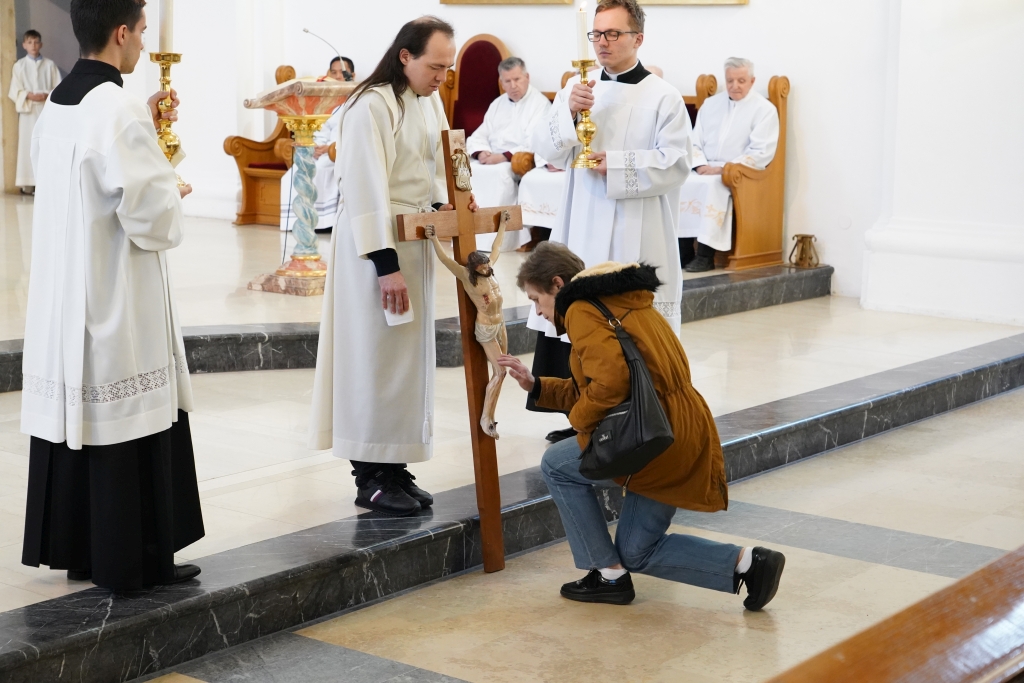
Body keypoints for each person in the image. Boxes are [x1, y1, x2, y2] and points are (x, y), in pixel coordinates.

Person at [20, 0, 204, 592]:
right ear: (121, 32)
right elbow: (151, 219)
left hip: (67, 293)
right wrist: (174, 187)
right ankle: (135, 558)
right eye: (143, 31)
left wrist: (145, 131)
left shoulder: (59, 102)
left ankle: (84, 552)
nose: (145, 43)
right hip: (115, 292)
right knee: (128, 416)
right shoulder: (118, 106)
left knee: (83, 418)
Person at [497, 243, 786, 609]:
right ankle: (749, 564)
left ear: (557, 284)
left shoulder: (582, 310)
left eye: (536, 300)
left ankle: (608, 574)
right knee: (637, 551)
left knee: (556, 464)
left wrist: (579, 422)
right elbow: (607, 381)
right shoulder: (619, 300)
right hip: (675, 429)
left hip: (653, 437)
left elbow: (610, 383)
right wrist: (537, 385)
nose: (538, 311)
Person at [309, 17, 477, 517]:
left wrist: (451, 205)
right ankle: (370, 476)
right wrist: (386, 266)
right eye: (435, 66)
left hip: (414, 241)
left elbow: (437, 168)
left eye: (448, 68)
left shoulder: (427, 101)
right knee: (373, 358)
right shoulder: (370, 104)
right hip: (375, 251)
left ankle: (394, 465)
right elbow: (364, 186)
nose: (442, 77)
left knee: (403, 361)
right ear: (405, 56)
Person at [526, 0, 690, 444]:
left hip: (637, 224)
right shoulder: (577, 88)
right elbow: (545, 147)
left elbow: (677, 163)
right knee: (581, 319)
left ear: (638, 38)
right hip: (583, 219)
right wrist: (566, 112)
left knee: (627, 326)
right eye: (596, 34)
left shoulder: (663, 96)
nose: (602, 42)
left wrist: (616, 164)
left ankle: (635, 416)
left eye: (613, 33)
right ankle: (582, 414)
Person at [678, 57, 779, 272]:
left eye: (741, 81)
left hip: (736, 172)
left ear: (752, 81)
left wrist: (724, 169)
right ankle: (683, 253)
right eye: (730, 80)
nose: (735, 86)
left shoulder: (764, 110)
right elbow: (694, 140)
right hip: (704, 168)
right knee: (680, 182)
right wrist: (699, 165)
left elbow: (761, 151)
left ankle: (705, 256)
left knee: (713, 186)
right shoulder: (711, 104)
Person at [425, 212, 510, 438]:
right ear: (474, 269)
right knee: (500, 371)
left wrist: (502, 224)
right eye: (481, 267)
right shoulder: (465, 275)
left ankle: (491, 413)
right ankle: (486, 419)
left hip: (500, 324)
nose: (486, 268)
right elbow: (446, 260)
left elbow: (497, 246)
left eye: (486, 265)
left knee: (503, 371)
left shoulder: (490, 267)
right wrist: (434, 239)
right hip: (487, 328)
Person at [466, 56, 550, 252]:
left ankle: (501, 239)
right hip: (492, 157)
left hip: (516, 160)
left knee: (500, 173)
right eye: (507, 81)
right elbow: (480, 134)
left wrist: (503, 157)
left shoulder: (540, 104)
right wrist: (481, 152)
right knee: (470, 171)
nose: (513, 86)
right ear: (501, 82)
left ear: (527, 77)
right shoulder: (497, 104)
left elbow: (536, 141)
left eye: (517, 79)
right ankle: (472, 236)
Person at [279, 57, 356, 234]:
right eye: (334, 72)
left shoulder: (356, 101)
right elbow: (320, 128)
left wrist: (329, 148)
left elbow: (353, 132)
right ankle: (297, 221)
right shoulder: (324, 100)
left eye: (342, 73)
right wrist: (313, 146)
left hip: (338, 152)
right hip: (319, 150)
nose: (338, 76)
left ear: (352, 75)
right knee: (292, 175)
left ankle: (322, 222)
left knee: (319, 170)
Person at [8, 29, 61, 195]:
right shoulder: (19, 66)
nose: (33, 45)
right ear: (24, 45)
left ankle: (44, 184)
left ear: (41, 44)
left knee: (44, 146)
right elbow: (15, 90)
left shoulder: (50, 65)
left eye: (36, 42)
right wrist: (28, 95)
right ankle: (28, 184)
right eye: (30, 42)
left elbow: (58, 88)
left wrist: (46, 95)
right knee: (28, 146)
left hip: (45, 111)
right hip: (28, 112)